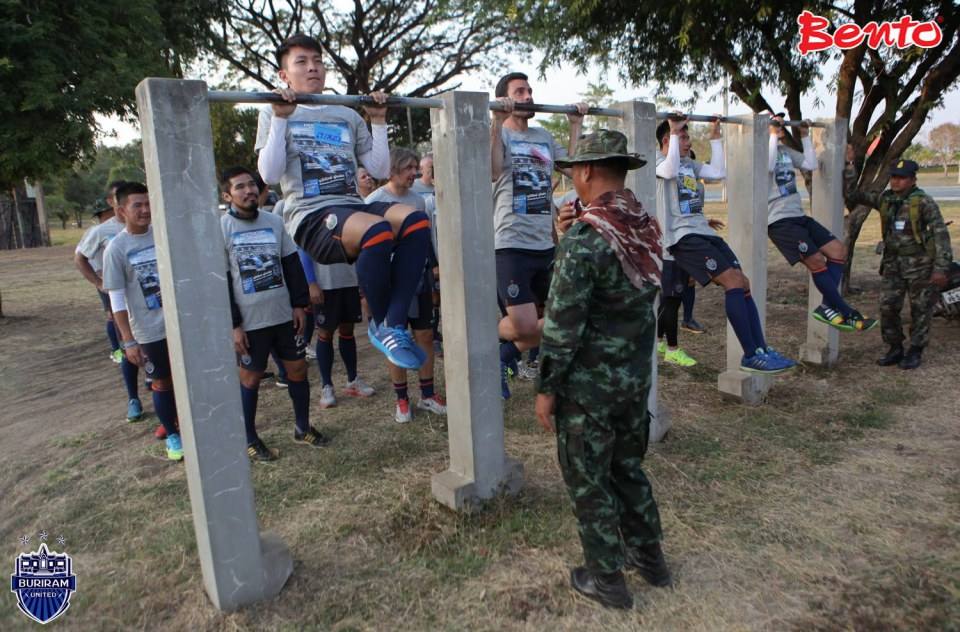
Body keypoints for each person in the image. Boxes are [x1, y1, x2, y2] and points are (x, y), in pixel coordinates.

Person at [537, 130, 671, 610]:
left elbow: (562, 323)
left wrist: (546, 387)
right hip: (633, 377)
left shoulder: (588, 238)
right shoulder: (643, 226)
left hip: (589, 386)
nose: (573, 177)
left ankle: (606, 578)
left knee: (589, 477)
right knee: (627, 466)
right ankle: (651, 559)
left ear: (588, 171)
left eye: (575, 169)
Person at [256, 33, 432, 372]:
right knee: (378, 231)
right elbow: (270, 173)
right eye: (302, 62)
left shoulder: (346, 114)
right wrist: (280, 117)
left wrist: (378, 120)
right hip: (311, 216)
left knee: (416, 220)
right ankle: (382, 320)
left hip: (352, 207)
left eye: (318, 61)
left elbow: (380, 169)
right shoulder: (274, 112)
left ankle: (391, 324)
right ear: (283, 75)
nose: (313, 68)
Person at [656, 115, 796, 373]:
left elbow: (718, 172)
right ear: (667, 139)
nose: (687, 141)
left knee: (742, 281)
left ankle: (761, 348)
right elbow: (669, 170)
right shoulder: (660, 162)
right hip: (683, 237)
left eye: (685, 136)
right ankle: (750, 355)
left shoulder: (689, 164)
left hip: (703, 233)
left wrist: (715, 136)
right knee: (730, 281)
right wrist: (675, 133)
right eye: (682, 136)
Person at [220, 167, 330, 458]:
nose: (249, 191)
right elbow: (220, 282)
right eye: (240, 187)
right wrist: (233, 325)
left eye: (252, 185)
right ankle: (249, 439)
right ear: (227, 195)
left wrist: (299, 304)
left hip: (283, 315)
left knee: (297, 369)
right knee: (250, 378)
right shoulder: (221, 229)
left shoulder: (274, 222)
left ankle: (302, 427)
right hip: (249, 323)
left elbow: (291, 264)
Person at [491, 71, 588, 398]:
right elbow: (492, 170)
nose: (528, 96)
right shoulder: (500, 135)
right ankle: (480, 340)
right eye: (520, 91)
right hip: (510, 244)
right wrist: (496, 120)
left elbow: (574, 169)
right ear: (506, 98)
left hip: (544, 245)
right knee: (524, 326)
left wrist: (575, 125)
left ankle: (502, 357)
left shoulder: (543, 136)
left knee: (565, 318)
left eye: (530, 90)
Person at [767, 114, 876, 332]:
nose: (779, 127)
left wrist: (805, 136)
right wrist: (772, 136)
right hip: (778, 221)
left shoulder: (784, 153)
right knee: (816, 260)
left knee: (838, 251)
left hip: (797, 215)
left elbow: (810, 163)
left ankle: (827, 307)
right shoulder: (757, 154)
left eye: (779, 123)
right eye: (774, 123)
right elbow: (769, 167)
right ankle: (847, 312)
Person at [843, 156, 953, 369]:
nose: (896, 182)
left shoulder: (923, 202)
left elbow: (941, 236)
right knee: (888, 307)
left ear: (913, 180)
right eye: (894, 177)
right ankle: (895, 347)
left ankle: (915, 350)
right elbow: (853, 195)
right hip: (893, 264)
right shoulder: (886, 199)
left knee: (920, 309)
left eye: (902, 178)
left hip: (920, 266)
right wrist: (849, 167)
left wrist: (941, 269)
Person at [101, 182, 183, 461]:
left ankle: (183, 424)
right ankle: (173, 436)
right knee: (161, 382)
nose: (145, 210)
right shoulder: (116, 249)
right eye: (138, 205)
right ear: (122, 210)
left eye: (149, 204)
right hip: (149, 330)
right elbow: (118, 300)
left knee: (184, 378)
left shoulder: (163, 236)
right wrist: (128, 339)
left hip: (179, 324)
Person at [366, 147, 447, 422]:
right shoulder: (375, 201)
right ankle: (402, 400)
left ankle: (427, 394)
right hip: (389, 283)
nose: (414, 173)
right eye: (408, 168)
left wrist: (433, 267)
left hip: (420, 279)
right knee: (395, 339)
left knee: (425, 335)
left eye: (416, 167)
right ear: (392, 170)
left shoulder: (418, 201)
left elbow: (424, 240)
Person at [75, 185, 147, 423]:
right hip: (117, 295)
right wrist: (98, 282)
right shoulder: (103, 232)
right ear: (114, 202)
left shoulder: (149, 227)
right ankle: (133, 398)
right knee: (129, 346)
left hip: (146, 296)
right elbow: (80, 257)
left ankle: (153, 382)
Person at [298, 251, 376, 409]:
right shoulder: (311, 224)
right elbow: (304, 251)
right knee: (325, 332)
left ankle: (352, 380)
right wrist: (311, 282)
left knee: (347, 330)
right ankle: (326, 386)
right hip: (324, 285)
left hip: (349, 281)